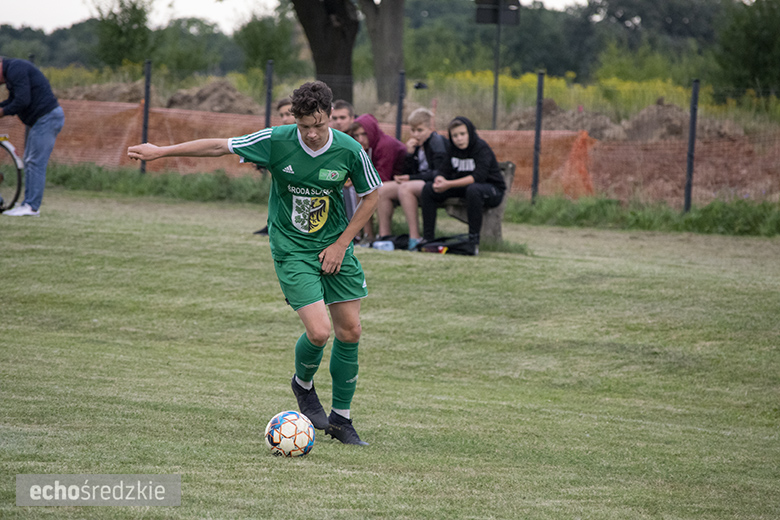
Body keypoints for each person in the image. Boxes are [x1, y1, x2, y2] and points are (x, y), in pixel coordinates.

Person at [128, 81, 381, 445]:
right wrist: (161, 151)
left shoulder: (349, 150)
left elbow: (373, 194)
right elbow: (219, 146)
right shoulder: (277, 140)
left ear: (330, 117)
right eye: (304, 126)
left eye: (319, 125)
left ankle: (342, 419)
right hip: (292, 248)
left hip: (335, 248)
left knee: (350, 331)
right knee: (319, 332)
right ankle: (303, 385)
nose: (311, 134)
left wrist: (342, 244)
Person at [420, 116, 506, 255]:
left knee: (474, 190)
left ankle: (473, 241)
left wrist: (448, 184)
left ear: (470, 133)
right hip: (465, 188)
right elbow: (443, 170)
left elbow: (478, 177)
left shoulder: (481, 147)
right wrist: (440, 179)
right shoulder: (452, 149)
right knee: (428, 189)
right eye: (455, 135)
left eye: (462, 134)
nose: (459, 139)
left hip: (491, 189)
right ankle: (428, 239)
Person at [0, 56, 65, 217]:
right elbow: (13, 100)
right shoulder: (12, 71)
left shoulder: (15, 69)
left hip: (46, 118)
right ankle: (28, 204)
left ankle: (31, 206)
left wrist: (1, 112)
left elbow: (22, 100)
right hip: (41, 119)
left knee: (35, 161)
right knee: (30, 160)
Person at [377, 108, 447, 250]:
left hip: (434, 184)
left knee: (405, 188)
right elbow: (408, 171)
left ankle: (414, 238)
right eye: (413, 130)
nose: (416, 135)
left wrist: (410, 178)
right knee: (382, 189)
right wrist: (409, 155)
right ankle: (384, 237)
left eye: (420, 130)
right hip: (417, 182)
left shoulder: (437, 142)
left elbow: (439, 173)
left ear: (430, 128)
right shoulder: (415, 146)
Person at [353, 113, 406, 244]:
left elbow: (382, 176)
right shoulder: (365, 148)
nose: (360, 139)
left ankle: (383, 236)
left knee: (374, 189)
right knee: (360, 188)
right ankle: (367, 235)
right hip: (391, 182)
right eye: (357, 135)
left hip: (405, 180)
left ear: (372, 131)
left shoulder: (385, 145)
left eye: (364, 134)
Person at [255, 97, 296, 235]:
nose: (285, 119)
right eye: (282, 115)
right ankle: (272, 224)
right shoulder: (281, 136)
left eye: (289, 114)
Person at [329, 100, 358, 223]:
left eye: (342, 117)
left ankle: (353, 230)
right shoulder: (327, 137)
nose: (338, 122)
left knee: (350, 188)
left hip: (355, 180)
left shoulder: (360, 137)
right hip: (331, 177)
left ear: (352, 118)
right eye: (335, 118)